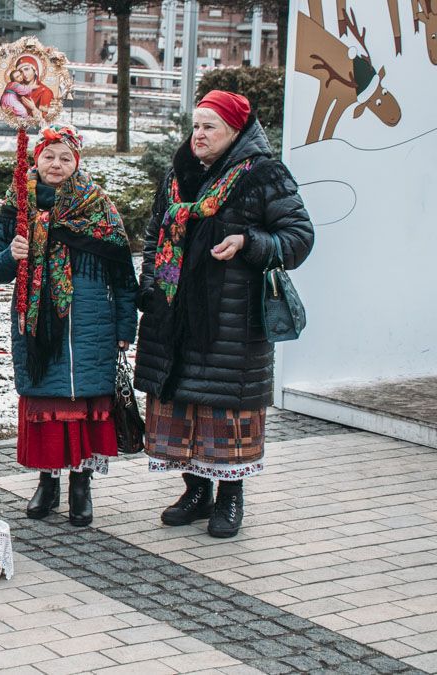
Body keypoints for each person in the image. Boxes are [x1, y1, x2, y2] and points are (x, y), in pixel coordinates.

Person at [135, 90, 314, 538]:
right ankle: (195, 492)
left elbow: (299, 236)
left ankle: (230, 498)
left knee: (223, 413)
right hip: (173, 315)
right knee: (183, 406)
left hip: (231, 321)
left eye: (209, 126)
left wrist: (248, 243)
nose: (198, 134)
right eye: (195, 125)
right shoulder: (177, 175)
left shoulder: (263, 175)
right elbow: (156, 234)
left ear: (235, 131)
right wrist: (152, 287)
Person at [0, 124, 137, 527]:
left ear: (77, 163)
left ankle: (81, 486)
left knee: (84, 407)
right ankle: (47, 483)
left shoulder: (99, 208)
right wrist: (11, 255)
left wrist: (125, 327)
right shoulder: (17, 205)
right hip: (39, 330)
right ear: (35, 160)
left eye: (65, 157)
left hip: (92, 326)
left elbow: (123, 275)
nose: (56, 164)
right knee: (48, 406)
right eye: (48, 156)